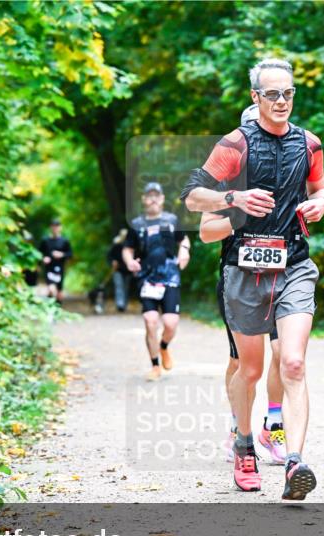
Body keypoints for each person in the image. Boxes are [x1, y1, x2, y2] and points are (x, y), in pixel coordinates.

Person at [183, 59, 324, 499]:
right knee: (249, 368)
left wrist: (320, 203)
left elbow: (321, 188)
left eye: (288, 93)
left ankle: (294, 463)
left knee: (293, 362)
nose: (282, 101)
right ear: (255, 98)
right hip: (245, 271)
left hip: (294, 266)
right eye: (272, 94)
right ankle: (244, 445)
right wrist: (236, 201)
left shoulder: (310, 144)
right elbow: (192, 198)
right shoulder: (235, 145)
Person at [201, 104, 286, 467]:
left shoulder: (288, 173)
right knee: (241, 363)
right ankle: (239, 426)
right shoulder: (227, 182)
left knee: (284, 354)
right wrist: (240, 214)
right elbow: (206, 231)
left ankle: (275, 425)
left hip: (281, 276)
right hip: (238, 276)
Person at [123, 182, 191, 381]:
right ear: (143, 199)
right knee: (150, 321)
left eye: (156, 195)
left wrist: (184, 251)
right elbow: (127, 249)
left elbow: (184, 240)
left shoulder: (171, 220)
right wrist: (129, 262)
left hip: (170, 277)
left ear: (162, 199)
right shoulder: (136, 224)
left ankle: (163, 348)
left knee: (171, 323)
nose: (153, 199)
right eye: (149, 195)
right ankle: (155, 366)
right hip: (147, 279)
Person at [39, 219, 73, 304]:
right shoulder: (45, 240)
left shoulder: (64, 241)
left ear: (60, 228)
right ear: (50, 227)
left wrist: (61, 255)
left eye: (57, 226)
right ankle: (50, 308)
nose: (55, 228)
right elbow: (38, 253)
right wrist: (44, 258)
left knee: (59, 291)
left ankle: (58, 309)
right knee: (51, 289)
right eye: (53, 226)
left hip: (60, 268)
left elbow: (70, 254)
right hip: (48, 268)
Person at [107, 228, 132, 312]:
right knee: (119, 286)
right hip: (117, 270)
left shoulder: (131, 246)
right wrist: (112, 262)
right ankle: (120, 304)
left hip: (128, 270)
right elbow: (109, 256)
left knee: (126, 287)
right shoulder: (116, 245)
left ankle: (124, 304)